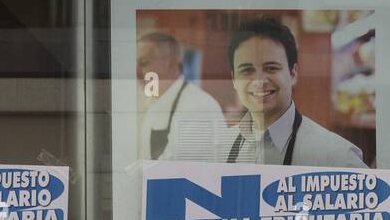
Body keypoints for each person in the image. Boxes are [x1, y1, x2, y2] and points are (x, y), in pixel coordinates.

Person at [224, 16, 367, 169]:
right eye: (247, 70)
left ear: (293, 73)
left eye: (271, 68)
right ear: (234, 79)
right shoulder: (217, 150)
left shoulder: (338, 158)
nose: (259, 81)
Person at [136, 32, 228, 162]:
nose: (136, 71)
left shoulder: (198, 107)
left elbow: (173, 169)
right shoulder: (153, 104)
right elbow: (144, 163)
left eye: (144, 63)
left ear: (172, 63)